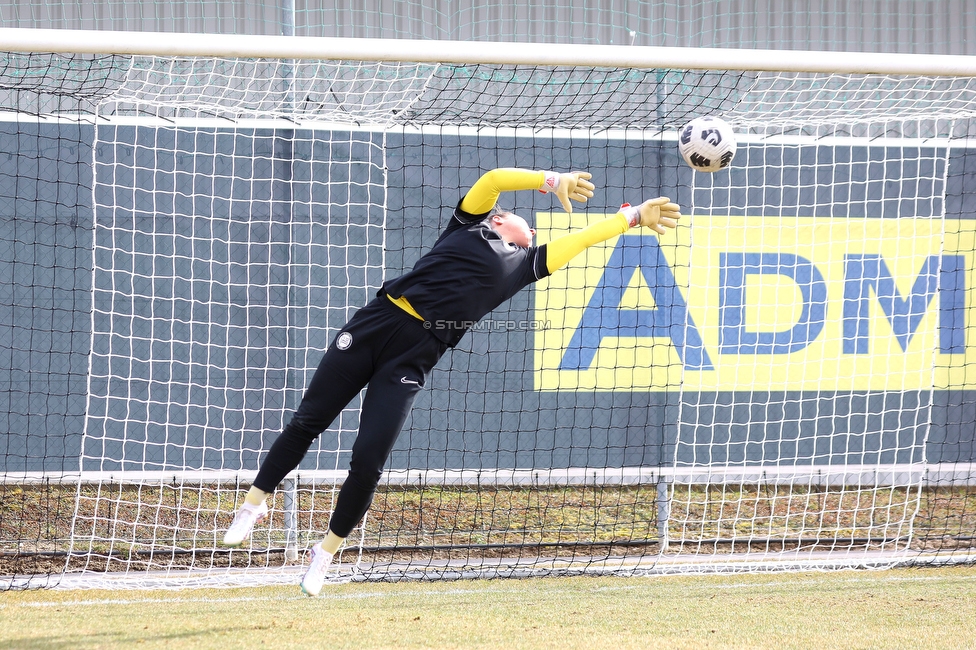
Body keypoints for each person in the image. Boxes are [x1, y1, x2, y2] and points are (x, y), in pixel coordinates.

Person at [222, 167, 681, 596]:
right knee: (309, 420)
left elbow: (582, 239)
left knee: (368, 462)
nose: (535, 232)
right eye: (526, 222)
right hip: (376, 324)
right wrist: (550, 181)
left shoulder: (525, 265)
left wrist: (633, 216)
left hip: (415, 355)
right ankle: (255, 502)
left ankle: (324, 553)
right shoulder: (470, 225)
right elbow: (494, 179)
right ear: (500, 218)